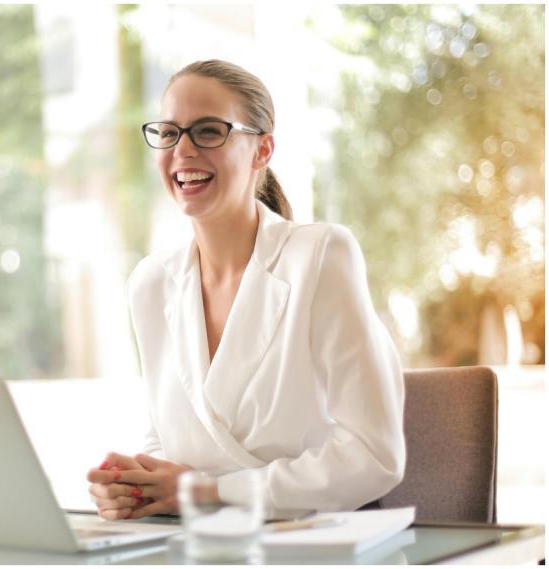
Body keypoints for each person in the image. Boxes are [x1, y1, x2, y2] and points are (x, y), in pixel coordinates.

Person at [86, 59, 405, 521]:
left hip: (311, 541)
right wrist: (135, 486)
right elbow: (169, 436)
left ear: (262, 150)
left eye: (209, 131)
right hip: (203, 545)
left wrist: (209, 491)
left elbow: (375, 456)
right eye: (170, 132)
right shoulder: (150, 284)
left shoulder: (319, 256)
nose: (183, 150)